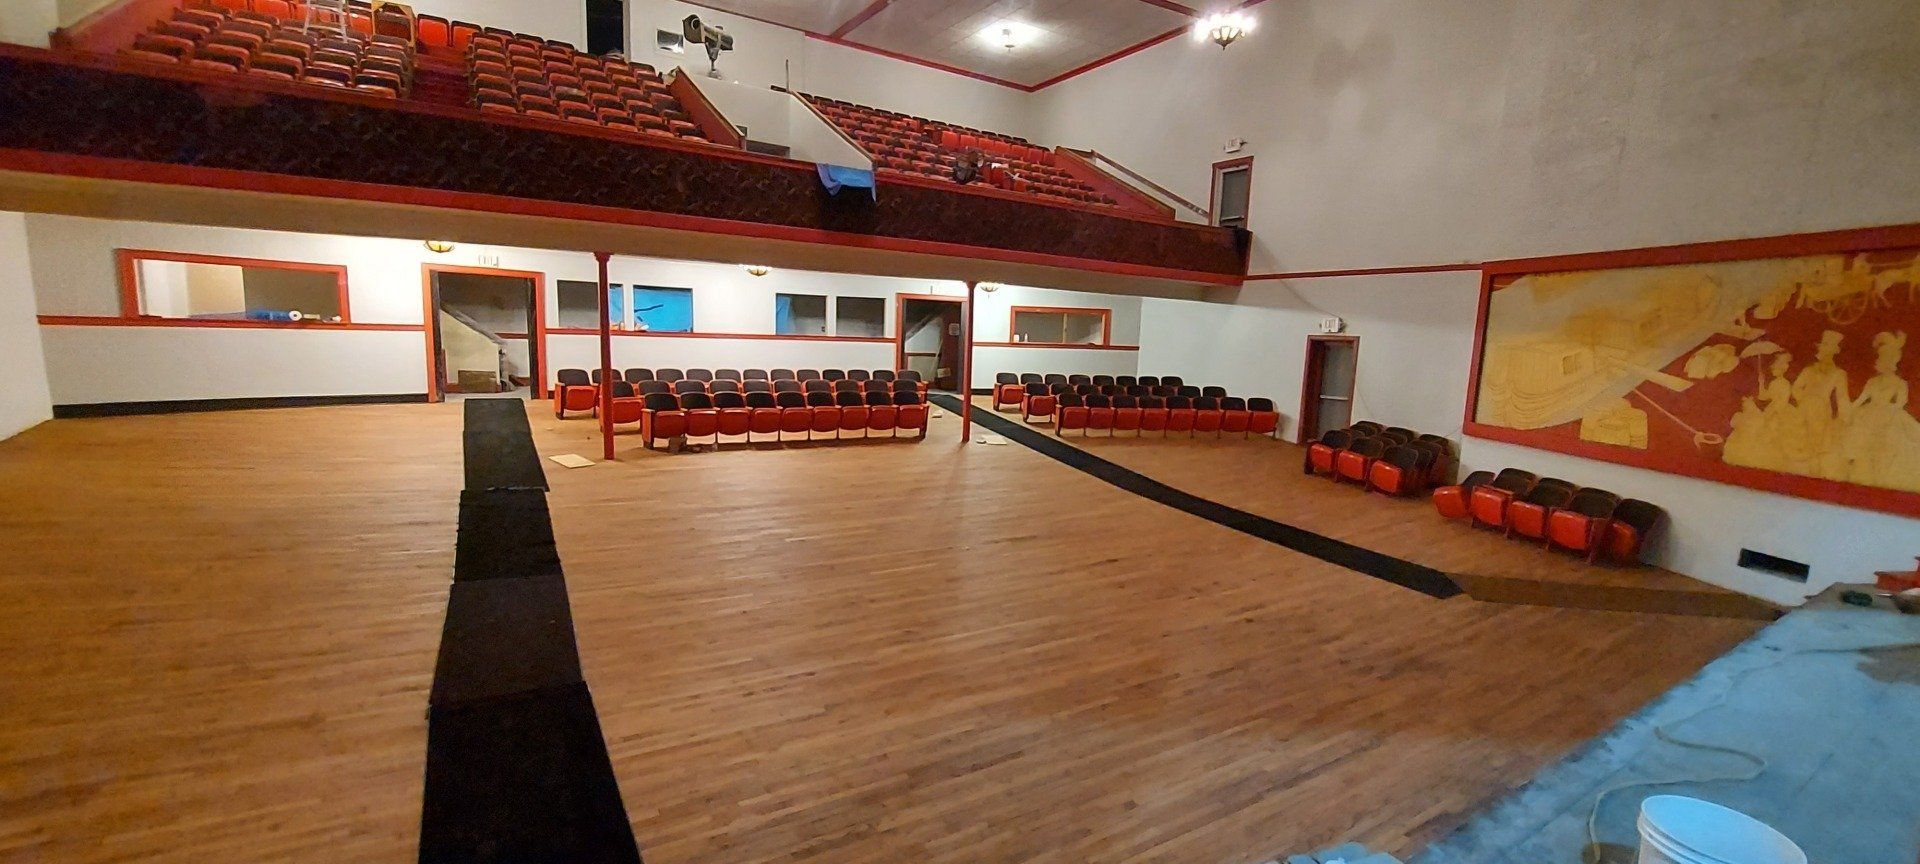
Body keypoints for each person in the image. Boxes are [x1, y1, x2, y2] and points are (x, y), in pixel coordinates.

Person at [1843, 331, 1920, 491]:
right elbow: (1861, 400)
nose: (1882, 361)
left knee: (1892, 443)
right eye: (1881, 358)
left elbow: (1900, 403)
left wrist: (1888, 412)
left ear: (1893, 360)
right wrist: (1849, 409)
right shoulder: (1872, 382)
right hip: (1869, 416)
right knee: (1862, 443)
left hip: (1890, 416)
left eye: (1886, 358)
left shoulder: (1900, 383)